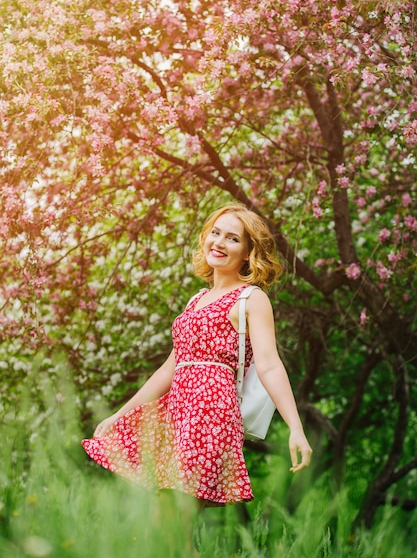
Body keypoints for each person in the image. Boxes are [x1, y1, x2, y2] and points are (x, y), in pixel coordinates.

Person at [82, 204, 312, 509]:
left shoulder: (251, 299)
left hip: (210, 416)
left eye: (232, 238)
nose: (218, 242)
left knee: (174, 517)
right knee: (168, 526)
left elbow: (269, 365)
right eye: (215, 233)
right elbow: (169, 369)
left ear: (247, 252)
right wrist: (120, 415)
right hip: (177, 414)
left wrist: (295, 428)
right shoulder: (196, 300)